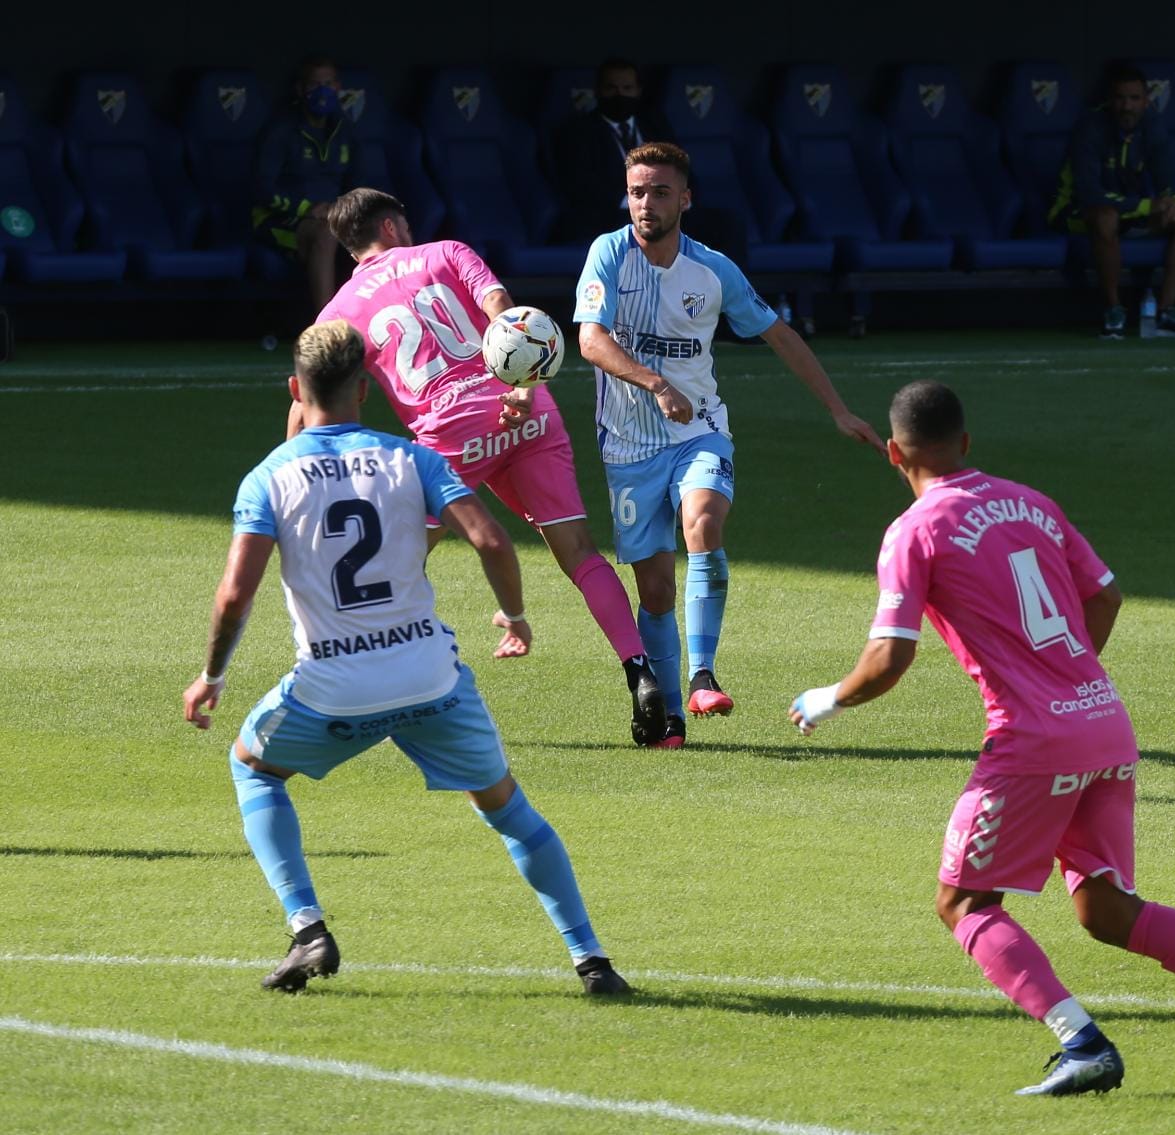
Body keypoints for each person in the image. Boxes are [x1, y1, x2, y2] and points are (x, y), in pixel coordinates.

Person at [788, 380, 1175, 1097]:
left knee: (965, 903)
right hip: (1102, 719)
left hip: (1032, 739)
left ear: (893, 452)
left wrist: (826, 698)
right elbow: (1105, 593)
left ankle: (1083, 1043)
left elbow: (890, 657)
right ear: (967, 442)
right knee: (1105, 908)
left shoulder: (914, 530)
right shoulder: (1031, 502)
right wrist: (1069, 679)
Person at [181, 320, 631, 997]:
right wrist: (512, 613)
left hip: (331, 687)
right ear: (367, 388)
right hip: (429, 677)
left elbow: (232, 595)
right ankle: (591, 958)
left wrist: (212, 675)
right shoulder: (413, 457)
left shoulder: (268, 477)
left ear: (295, 389)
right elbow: (492, 541)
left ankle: (308, 930)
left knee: (253, 768)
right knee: (509, 808)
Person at [508, 142, 883, 748]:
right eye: (636, 191)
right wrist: (654, 382)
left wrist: (837, 409)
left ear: (686, 198)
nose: (645, 203)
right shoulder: (607, 254)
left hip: (699, 428)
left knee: (703, 520)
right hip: (628, 445)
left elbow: (779, 334)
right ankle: (670, 714)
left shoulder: (713, 271)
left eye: (659, 191)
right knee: (653, 590)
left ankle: (703, 673)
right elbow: (591, 342)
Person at [312, 187, 667, 747]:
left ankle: (404, 689)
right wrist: (519, 386)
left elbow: (312, 392)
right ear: (389, 225)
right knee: (578, 552)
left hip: (448, 432)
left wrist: (299, 466)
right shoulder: (446, 252)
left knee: (399, 566)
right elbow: (506, 313)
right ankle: (639, 671)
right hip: (522, 408)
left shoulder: (339, 313)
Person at [1048, 62, 1175, 340]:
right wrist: (1149, 206)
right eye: (1120, 98)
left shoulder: (1152, 126)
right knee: (1105, 216)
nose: (1127, 106)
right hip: (1075, 212)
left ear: (1146, 101)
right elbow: (1090, 195)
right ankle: (1114, 311)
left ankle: (1166, 311)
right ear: (1110, 101)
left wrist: (1172, 203)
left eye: (1134, 99)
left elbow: (1167, 182)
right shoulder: (1091, 128)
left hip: (1128, 211)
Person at [253, 56, 358, 310]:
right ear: (300, 90)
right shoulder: (281, 131)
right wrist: (308, 209)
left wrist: (344, 209)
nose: (322, 91)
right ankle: (327, 332)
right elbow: (260, 188)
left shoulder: (344, 130)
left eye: (328, 83)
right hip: (278, 221)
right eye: (314, 84)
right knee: (326, 233)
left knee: (381, 230)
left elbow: (358, 183)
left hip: (334, 216)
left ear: (338, 87)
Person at [552, 59, 677, 244]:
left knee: (714, 223)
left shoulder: (656, 125)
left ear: (638, 91)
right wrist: (633, 202)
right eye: (611, 88)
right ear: (598, 91)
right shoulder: (578, 132)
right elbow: (580, 185)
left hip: (663, 211)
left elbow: (680, 167)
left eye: (627, 88)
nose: (620, 95)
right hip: (610, 216)